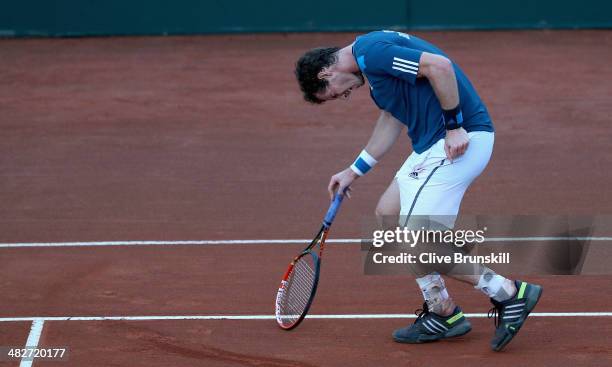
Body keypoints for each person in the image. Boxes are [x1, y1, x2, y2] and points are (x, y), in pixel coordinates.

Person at [294, 30, 542, 351]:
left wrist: (454, 127)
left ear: (325, 73)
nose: (343, 96)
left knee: (417, 243)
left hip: (457, 142)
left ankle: (509, 293)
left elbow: (439, 66)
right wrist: (353, 171)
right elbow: (391, 119)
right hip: (431, 147)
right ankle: (443, 312)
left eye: (334, 93)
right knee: (387, 214)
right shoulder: (373, 71)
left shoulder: (370, 51)